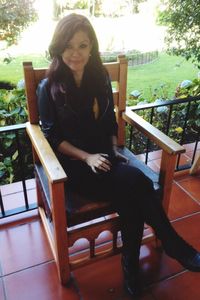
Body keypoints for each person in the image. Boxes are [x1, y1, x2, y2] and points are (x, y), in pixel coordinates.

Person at [37, 13, 200, 297]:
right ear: (59, 47)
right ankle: (170, 247)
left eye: (83, 45)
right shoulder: (48, 87)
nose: (75, 53)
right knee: (137, 183)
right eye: (69, 46)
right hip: (73, 168)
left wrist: (113, 148)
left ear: (92, 47)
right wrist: (87, 157)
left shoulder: (98, 77)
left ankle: (133, 272)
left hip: (105, 158)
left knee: (130, 194)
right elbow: (52, 137)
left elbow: (110, 121)